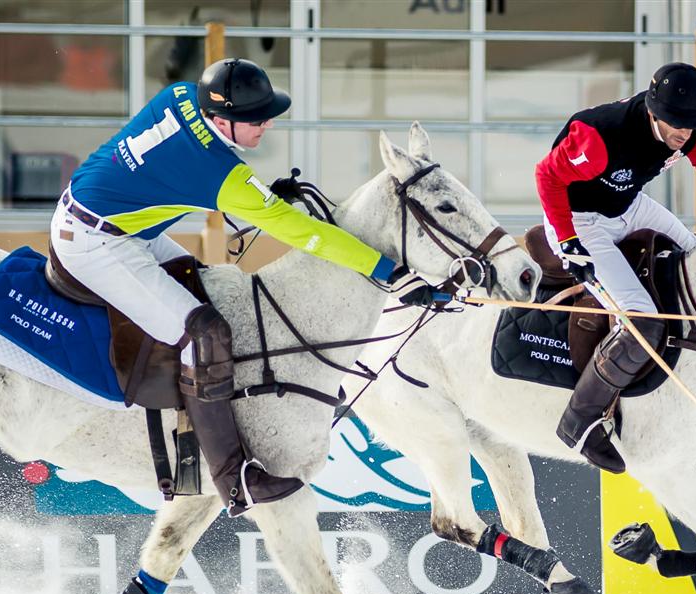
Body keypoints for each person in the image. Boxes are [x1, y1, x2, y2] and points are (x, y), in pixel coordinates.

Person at [51, 58, 439, 511]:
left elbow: (170, 173)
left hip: (115, 223)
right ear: (221, 121)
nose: (266, 125)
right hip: (96, 244)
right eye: (255, 120)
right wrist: (385, 269)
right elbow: (305, 234)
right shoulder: (222, 175)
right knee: (203, 331)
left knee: (209, 294)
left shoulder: (182, 95)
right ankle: (233, 479)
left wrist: (262, 197)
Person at [535, 62, 696, 474]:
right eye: (677, 123)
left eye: (692, 123)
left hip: (630, 206)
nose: (684, 133)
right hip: (581, 221)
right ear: (653, 111)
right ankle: (580, 421)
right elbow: (548, 176)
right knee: (642, 319)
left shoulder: (686, 128)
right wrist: (567, 240)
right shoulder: (598, 139)